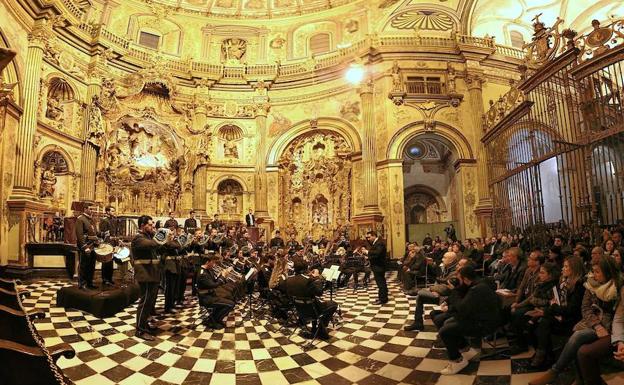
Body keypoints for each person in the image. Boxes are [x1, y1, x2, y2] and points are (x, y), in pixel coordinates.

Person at [530, 256, 622, 385]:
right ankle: (577, 378)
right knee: (571, 337)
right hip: (593, 322)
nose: (594, 275)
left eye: (597, 272)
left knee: (578, 336)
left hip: (610, 327)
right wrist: (596, 325)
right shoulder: (591, 284)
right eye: (593, 271)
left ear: (608, 272)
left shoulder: (617, 287)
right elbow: (585, 308)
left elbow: (617, 316)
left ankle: (555, 371)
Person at [438, 264, 501, 375]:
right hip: (483, 319)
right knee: (450, 323)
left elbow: (462, 308)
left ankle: (457, 361)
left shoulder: (476, 289)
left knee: (445, 331)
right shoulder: (481, 283)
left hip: (484, 325)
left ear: (466, 279)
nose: (458, 282)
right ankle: (467, 350)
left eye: (459, 279)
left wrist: (454, 291)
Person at [530, 256, 585, 368]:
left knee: (544, 322)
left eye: (565, 266)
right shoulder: (564, 282)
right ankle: (545, 354)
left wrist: (551, 308)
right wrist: (547, 310)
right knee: (536, 323)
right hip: (561, 314)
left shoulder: (578, 286)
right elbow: (555, 302)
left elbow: (571, 310)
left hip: (572, 320)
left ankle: (544, 355)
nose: (562, 269)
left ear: (574, 269)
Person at [131, 215, 173, 341]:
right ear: (142, 226)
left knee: (149, 302)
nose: (152, 226)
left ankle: (144, 325)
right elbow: (153, 244)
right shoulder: (138, 238)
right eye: (150, 225)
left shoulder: (148, 237)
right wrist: (164, 236)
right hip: (145, 274)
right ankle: (139, 330)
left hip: (152, 273)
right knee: (144, 302)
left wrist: (168, 241)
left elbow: (159, 247)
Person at [283, 260, 338, 340]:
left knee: (312, 302)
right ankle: (321, 327)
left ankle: (315, 327)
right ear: (305, 269)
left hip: (300, 310)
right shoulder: (308, 280)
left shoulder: (289, 280)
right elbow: (319, 293)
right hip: (313, 310)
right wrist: (317, 278)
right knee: (333, 304)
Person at [197, 254, 236, 329]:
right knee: (231, 304)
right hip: (207, 298)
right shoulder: (203, 274)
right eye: (212, 262)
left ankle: (214, 319)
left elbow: (213, 281)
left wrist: (220, 275)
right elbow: (214, 285)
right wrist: (223, 276)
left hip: (211, 295)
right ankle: (213, 321)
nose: (214, 264)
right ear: (207, 262)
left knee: (229, 297)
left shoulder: (207, 270)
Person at [361, 231, 388, 305]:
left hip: (379, 266)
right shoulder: (376, 243)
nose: (368, 239)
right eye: (367, 237)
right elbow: (375, 255)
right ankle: (381, 297)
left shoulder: (379, 243)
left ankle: (383, 299)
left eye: (369, 237)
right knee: (380, 283)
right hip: (377, 266)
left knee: (381, 283)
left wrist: (367, 252)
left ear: (374, 236)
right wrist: (368, 257)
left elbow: (377, 253)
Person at [76, 204, 98, 290]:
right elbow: (79, 235)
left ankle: (89, 282)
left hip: (93, 246)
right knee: (84, 266)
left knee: (91, 266)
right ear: (85, 209)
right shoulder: (80, 219)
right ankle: (82, 284)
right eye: (90, 209)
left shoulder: (92, 219)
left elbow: (94, 232)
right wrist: (85, 247)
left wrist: (101, 235)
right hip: (86, 246)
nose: (92, 210)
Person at [98, 206, 119, 286]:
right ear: (107, 212)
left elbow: (115, 232)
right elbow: (103, 233)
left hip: (113, 243)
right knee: (106, 262)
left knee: (111, 262)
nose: (114, 212)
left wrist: (116, 242)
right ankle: (105, 279)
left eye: (114, 211)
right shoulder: (104, 220)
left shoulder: (114, 220)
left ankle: (110, 278)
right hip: (107, 243)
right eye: (112, 211)